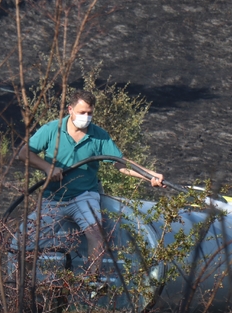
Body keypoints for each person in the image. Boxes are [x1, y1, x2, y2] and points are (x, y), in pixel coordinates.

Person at [17, 90, 164, 276]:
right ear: (70, 109)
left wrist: (150, 175)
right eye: (82, 112)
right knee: (26, 239)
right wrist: (47, 168)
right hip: (53, 197)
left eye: (89, 113)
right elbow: (24, 153)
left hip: (84, 196)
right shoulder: (52, 129)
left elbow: (119, 163)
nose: (86, 117)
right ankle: (24, 285)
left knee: (96, 234)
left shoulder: (99, 135)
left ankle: (89, 283)